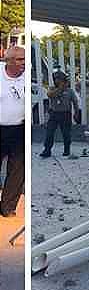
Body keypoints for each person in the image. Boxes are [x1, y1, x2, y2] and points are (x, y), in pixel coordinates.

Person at [0, 46, 26, 217]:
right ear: (8, 61)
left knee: (17, 170)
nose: (23, 63)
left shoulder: (27, 77)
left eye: (24, 59)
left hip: (18, 130)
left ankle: (7, 207)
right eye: (19, 60)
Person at [40, 71, 80, 159]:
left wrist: (76, 113)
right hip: (54, 114)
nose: (57, 81)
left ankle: (67, 149)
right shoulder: (52, 89)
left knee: (66, 133)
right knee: (49, 132)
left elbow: (75, 102)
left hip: (65, 114)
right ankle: (47, 150)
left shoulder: (70, 91)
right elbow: (50, 95)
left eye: (59, 79)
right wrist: (60, 88)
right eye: (56, 79)